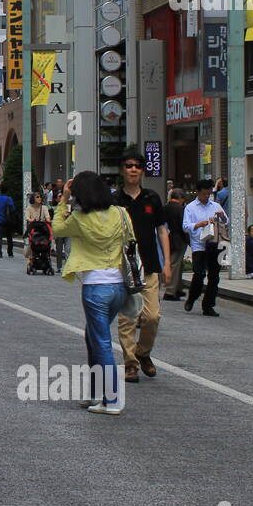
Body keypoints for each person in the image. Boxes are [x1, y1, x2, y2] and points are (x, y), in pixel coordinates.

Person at [53, 172, 135, 415]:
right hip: (120, 284)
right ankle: (95, 393)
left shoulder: (79, 218)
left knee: (101, 342)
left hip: (96, 285)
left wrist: (63, 199)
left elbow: (57, 229)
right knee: (92, 336)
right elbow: (131, 239)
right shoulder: (121, 213)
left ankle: (112, 399)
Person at [114, 151, 172, 384]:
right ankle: (130, 363)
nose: (133, 169)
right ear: (123, 169)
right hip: (123, 268)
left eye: (138, 166)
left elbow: (162, 230)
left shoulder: (152, 198)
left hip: (149, 266)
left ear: (143, 170)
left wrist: (167, 263)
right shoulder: (115, 200)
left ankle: (143, 352)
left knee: (152, 316)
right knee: (127, 318)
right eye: (129, 166)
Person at [183, 179, 228, 317]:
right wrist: (198, 225)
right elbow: (185, 226)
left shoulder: (215, 206)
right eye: (204, 193)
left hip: (214, 244)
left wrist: (222, 217)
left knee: (214, 276)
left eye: (208, 194)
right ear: (198, 192)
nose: (206, 196)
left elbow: (227, 221)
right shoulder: (190, 207)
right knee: (199, 273)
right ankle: (192, 297)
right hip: (199, 245)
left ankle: (208, 305)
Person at [163, 188, 189, 300]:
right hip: (179, 239)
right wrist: (188, 240)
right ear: (181, 198)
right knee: (175, 264)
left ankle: (178, 288)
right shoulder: (181, 209)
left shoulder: (165, 208)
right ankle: (170, 291)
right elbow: (183, 226)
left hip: (167, 237)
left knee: (177, 264)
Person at [23, 192, 50, 262]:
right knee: (32, 243)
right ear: (33, 199)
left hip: (42, 228)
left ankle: (46, 257)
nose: (39, 198)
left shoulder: (44, 207)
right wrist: (31, 219)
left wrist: (48, 220)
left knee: (47, 241)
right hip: (33, 228)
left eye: (40, 197)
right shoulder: (29, 208)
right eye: (37, 197)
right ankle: (31, 259)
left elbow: (47, 217)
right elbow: (27, 217)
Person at [0, 184, 15, 259]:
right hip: (7, 221)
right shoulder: (9, 199)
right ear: (7, 190)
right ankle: (10, 252)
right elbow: (13, 209)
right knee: (9, 237)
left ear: (0, 190)